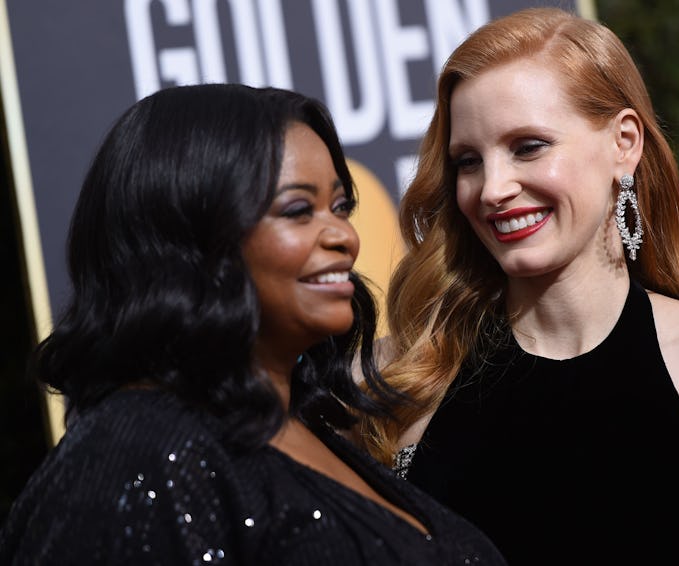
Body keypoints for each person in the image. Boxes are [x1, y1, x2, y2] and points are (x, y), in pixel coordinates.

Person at [353, 7, 679, 565]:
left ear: (624, 143)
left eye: (528, 146)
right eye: (468, 161)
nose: (492, 189)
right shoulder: (396, 379)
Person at [0, 83, 508, 565]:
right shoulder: (138, 452)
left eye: (339, 207)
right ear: (189, 238)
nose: (344, 238)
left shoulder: (314, 428)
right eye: (297, 210)